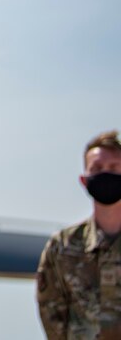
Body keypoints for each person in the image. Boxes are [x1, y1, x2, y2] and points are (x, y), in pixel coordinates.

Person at [36, 129, 121, 339]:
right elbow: (52, 314)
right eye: (97, 168)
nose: (105, 173)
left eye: (113, 167)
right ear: (84, 180)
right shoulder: (62, 246)